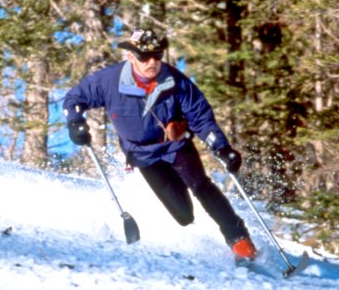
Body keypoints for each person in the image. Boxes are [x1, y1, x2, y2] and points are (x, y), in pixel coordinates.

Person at [63, 27, 257, 261]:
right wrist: (75, 122)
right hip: (143, 155)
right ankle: (187, 207)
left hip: (176, 147)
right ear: (131, 56)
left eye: (157, 55)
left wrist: (222, 148)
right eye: (145, 56)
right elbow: (75, 98)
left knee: (201, 185)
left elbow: (201, 117)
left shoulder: (177, 82)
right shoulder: (109, 80)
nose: (151, 62)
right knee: (184, 216)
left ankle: (240, 241)